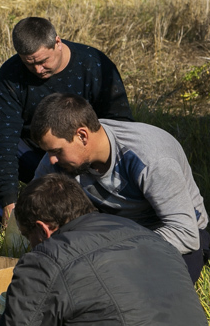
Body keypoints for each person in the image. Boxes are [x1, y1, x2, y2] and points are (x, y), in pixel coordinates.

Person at [0, 173, 210, 326]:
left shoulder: (47, 259)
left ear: (42, 229)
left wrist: (3, 324)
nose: (31, 247)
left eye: (30, 239)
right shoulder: (155, 240)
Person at [0, 17, 133, 225]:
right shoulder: (11, 74)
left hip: (83, 159)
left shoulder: (94, 64)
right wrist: (9, 199)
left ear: (57, 42)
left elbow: (120, 126)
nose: (37, 70)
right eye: (29, 63)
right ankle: (11, 222)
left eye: (43, 61)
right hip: (36, 156)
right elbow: (5, 138)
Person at [31, 92, 208, 283]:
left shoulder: (151, 159)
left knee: (148, 293)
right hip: (114, 231)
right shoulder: (62, 156)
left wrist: (113, 250)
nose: (50, 160)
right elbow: (34, 204)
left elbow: (185, 233)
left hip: (174, 235)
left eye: (56, 151)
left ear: (82, 135)